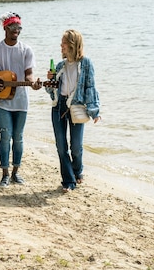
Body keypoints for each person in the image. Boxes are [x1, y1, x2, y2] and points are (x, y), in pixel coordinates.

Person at [0, 11, 42, 187]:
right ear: (5, 28)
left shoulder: (26, 50)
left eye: (18, 28)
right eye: (12, 28)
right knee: (5, 136)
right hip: (1, 100)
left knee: (18, 137)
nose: (16, 31)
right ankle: (4, 174)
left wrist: (33, 83)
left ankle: (15, 173)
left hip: (21, 101)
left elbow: (29, 75)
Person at [46, 29, 101, 192]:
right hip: (59, 107)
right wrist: (50, 81)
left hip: (77, 106)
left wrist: (94, 111)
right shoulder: (60, 66)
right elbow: (51, 92)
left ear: (72, 45)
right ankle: (68, 181)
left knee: (76, 147)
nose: (60, 46)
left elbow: (90, 87)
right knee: (61, 146)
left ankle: (78, 172)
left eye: (63, 43)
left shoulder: (86, 63)